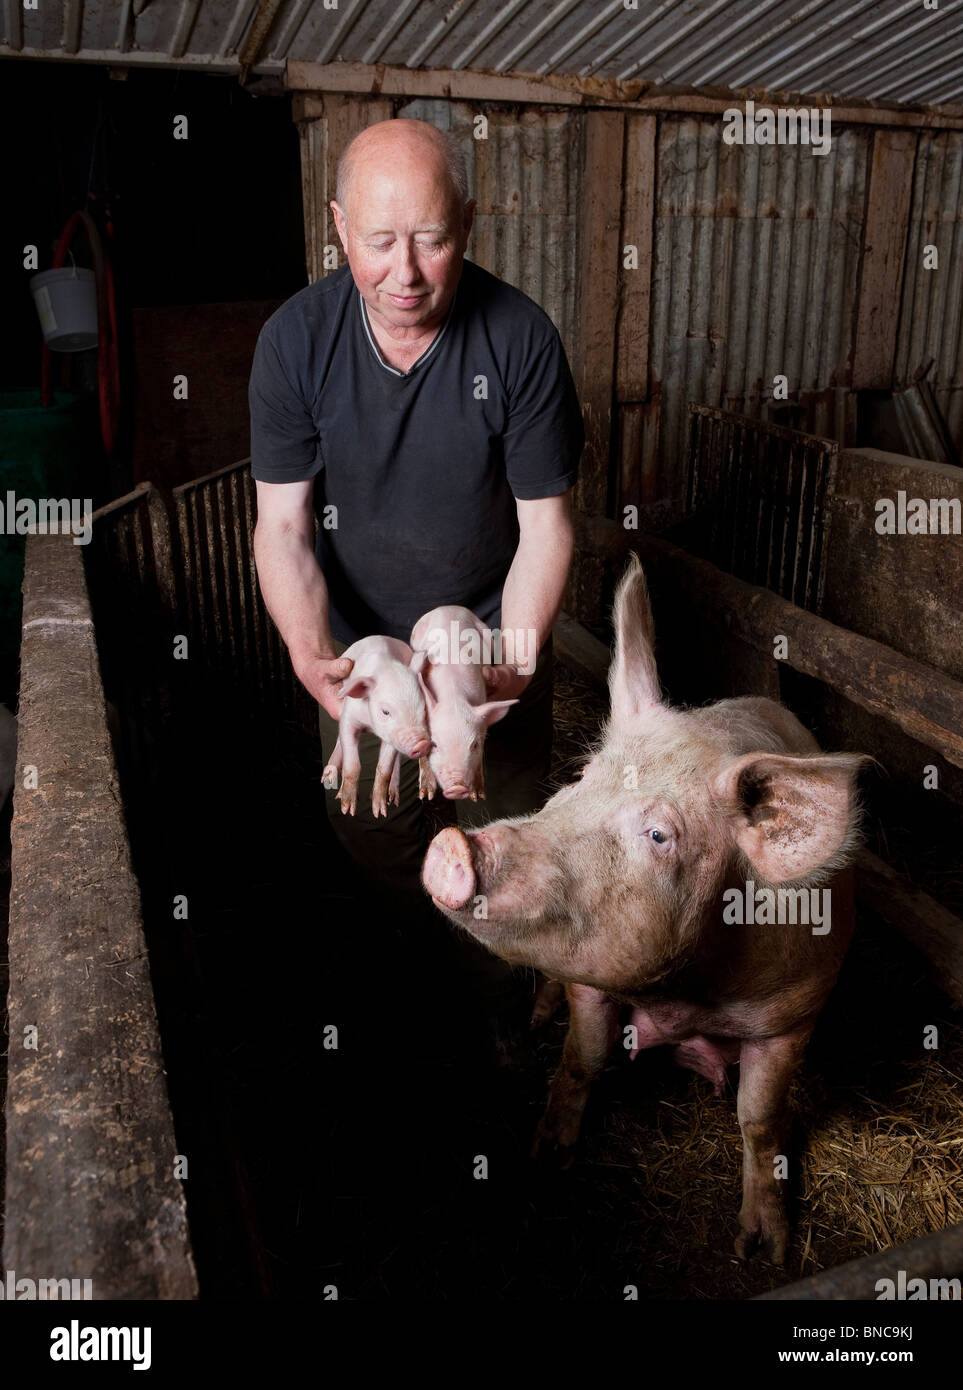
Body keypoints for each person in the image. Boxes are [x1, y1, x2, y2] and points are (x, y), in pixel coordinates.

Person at [248, 118, 583, 1027]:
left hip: (484, 634)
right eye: (379, 242)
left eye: (432, 240)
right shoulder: (294, 344)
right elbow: (281, 526)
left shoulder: (519, 341)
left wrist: (511, 656)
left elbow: (546, 525)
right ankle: (422, 974)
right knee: (368, 823)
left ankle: (504, 1006)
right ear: (338, 226)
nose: (405, 272)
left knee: (505, 833)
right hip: (367, 647)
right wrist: (311, 652)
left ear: (468, 224)